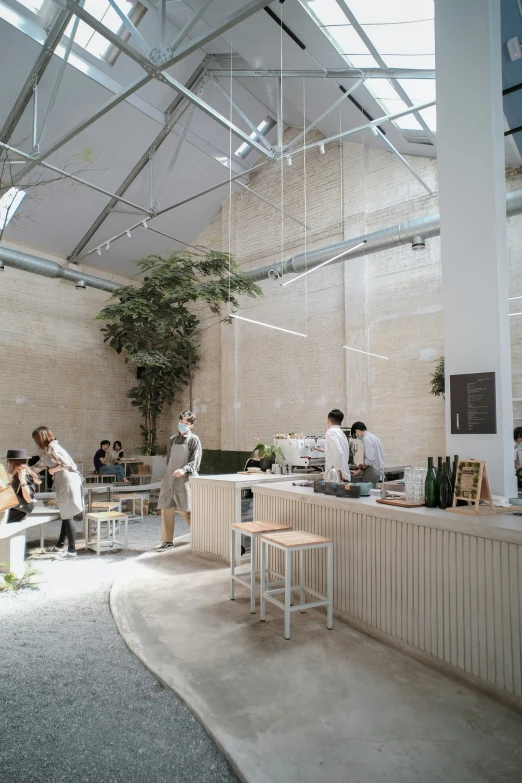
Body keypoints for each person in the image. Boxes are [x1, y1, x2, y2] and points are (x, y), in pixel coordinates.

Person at [32, 427, 83, 558]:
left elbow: (67, 465)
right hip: (65, 481)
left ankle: (71, 550)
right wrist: (22, 471)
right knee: (66, 514)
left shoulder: (53, 448)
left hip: (67, 481)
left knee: (67, 516)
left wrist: (51, 471)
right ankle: (59, 546)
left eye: (36, 439)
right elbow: (38, 466)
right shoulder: (48, 450)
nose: (36, 443)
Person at [156, 410, 202, 550]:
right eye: (181, 422)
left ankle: (201, 537)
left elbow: (196, 461)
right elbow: (170, 460)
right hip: (170, 478)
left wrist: (183, 470)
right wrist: (169, 474)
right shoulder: (172, 440)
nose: (182, 425)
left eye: (186, 423)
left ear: (191, 425)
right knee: (166, 508)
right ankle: (167, 541)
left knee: (187, 510)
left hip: (185, 479)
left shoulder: (194, 440)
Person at [6, 449, 39, 524]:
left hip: (17, 512)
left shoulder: (26, 476)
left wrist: (23, 481)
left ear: (11, 462)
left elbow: (28, 499)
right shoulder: (16, 474)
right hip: (12, 510)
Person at [351, 422, 385, 486]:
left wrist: (360, 469)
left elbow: (370, 458)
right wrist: (363, 464)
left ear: (357, 431)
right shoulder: (374, 437)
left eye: (356, 434)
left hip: (373, 471)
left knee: (370, 492)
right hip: (378, 469)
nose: (357, 436)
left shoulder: (366, 439)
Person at [324, 409, 351, 481]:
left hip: (336, 477)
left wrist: (340, 472)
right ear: (340, 423)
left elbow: (339, 453)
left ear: (328, 420)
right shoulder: (341, 433)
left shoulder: (330, 432)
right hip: (343, 474)